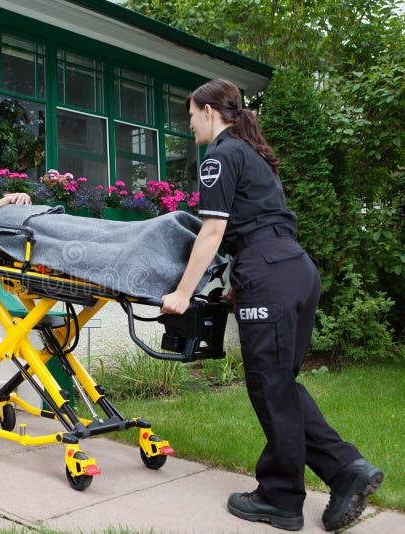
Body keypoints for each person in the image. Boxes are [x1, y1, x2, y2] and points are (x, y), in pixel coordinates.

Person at [160, 79, 383, 532]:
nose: (189, 124)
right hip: (294, 270)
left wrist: (183, 292)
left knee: (269, 387)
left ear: (209, 112)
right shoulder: (254, 154)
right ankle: (346, 471)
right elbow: (263, 225)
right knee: (279, 384)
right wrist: (242, 282)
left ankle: (281, 499)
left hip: (268, 272)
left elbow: (213, 230)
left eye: (190, 115)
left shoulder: (220, 155)